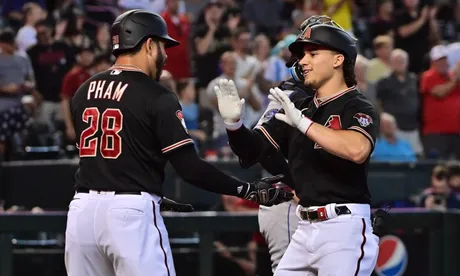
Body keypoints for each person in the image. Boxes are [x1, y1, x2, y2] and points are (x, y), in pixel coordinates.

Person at [64, 9, 292, 276]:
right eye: (162, 45)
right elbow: (189, 168)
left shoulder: (84, 90)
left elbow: (106, 160)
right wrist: (246, 189)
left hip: (81, 213)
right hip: (130, 213)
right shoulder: (156, 94)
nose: (166, 54)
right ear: (148, 44)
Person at [214, 15, 380, 275]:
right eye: (303, 55)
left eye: (313, 54)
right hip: (304, 228)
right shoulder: (297, 104)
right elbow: (254, 150)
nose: (302, 61)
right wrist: (234, 125)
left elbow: (357, 150)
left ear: (338, 60)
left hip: (343, 228)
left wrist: (303, 124)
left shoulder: (357, 105)